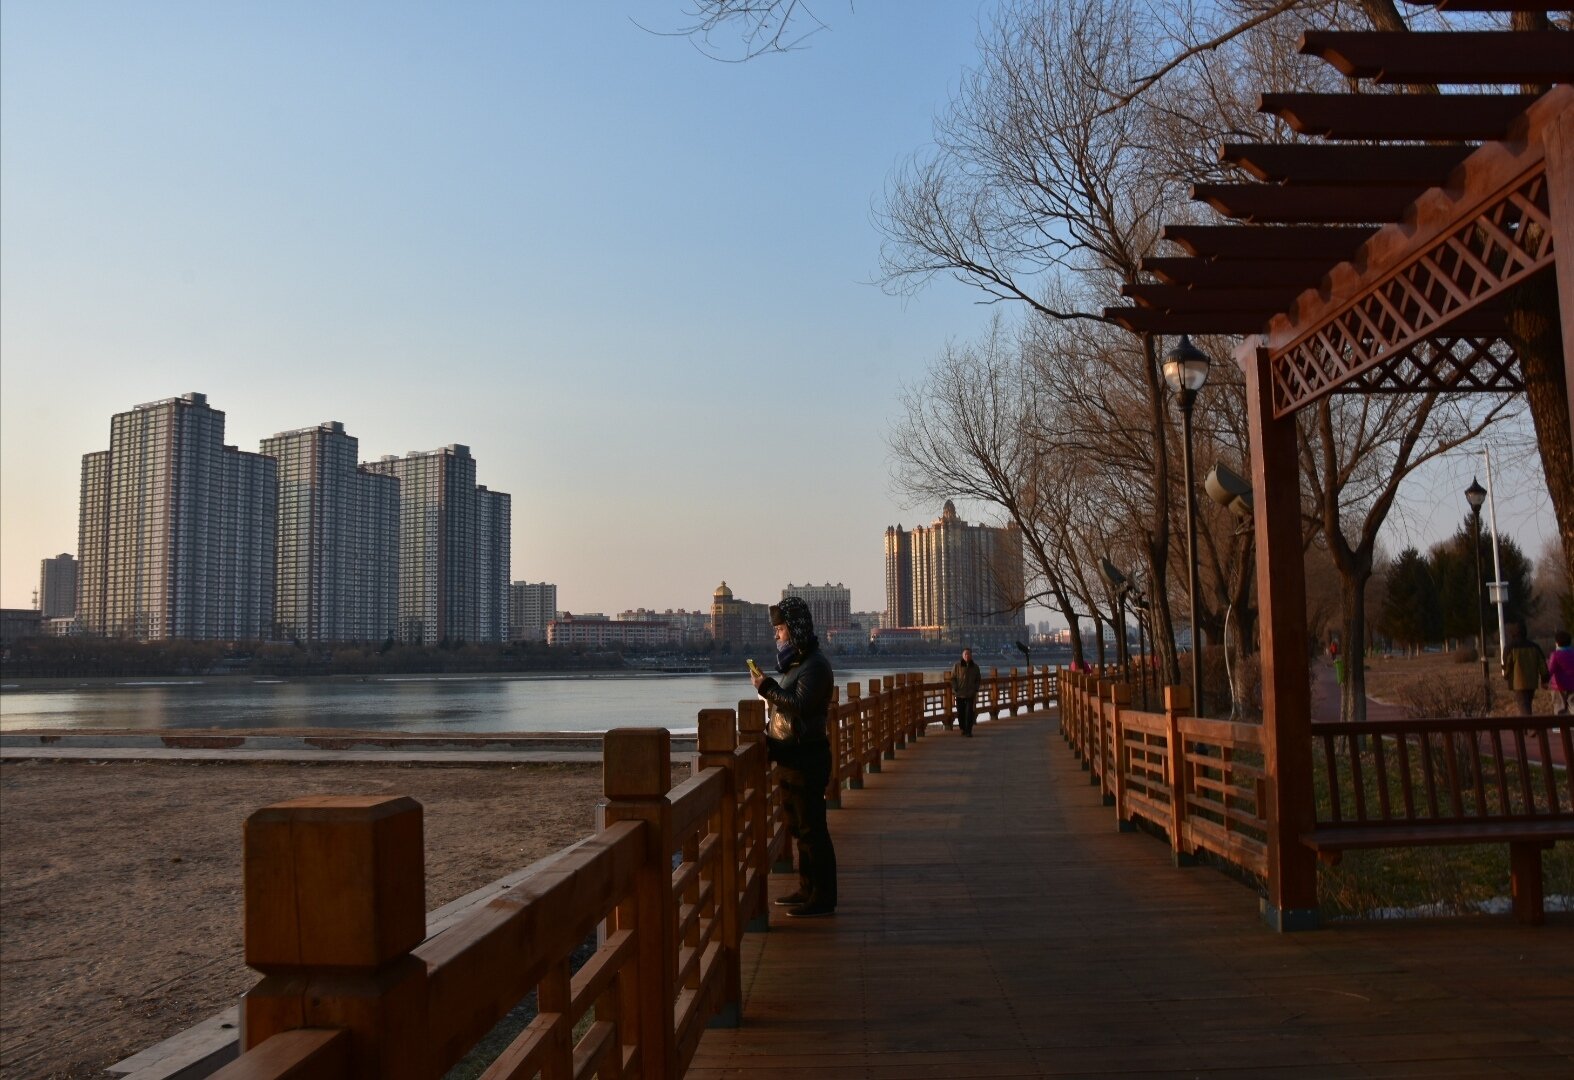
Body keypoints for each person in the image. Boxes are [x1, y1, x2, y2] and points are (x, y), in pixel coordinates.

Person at [750, 596, 837, 918]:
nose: (777, 634)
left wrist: (766, 688)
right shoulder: (797, 664)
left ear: (795, 629)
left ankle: (823, 897)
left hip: (807, 758)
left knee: (813, 830)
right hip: (791, 757)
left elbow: (800, 705)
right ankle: (807, 888)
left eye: (781, 628)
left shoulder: (815, 665)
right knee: (800, 828)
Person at [1501, 622, 1547, 715]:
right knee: (1527, 704)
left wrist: (1505, 675)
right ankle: (1528, 722)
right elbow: (1542, 664)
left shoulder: (1510, 647)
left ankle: (1529, 723)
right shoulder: (1534, 647)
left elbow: (1507, 664)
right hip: (1532, 681)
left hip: (1518, 682)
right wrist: (1544, 678)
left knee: (1523, 706)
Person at [949, 646, 982, 737]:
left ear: (971, 655)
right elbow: (952, 678)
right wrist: (955, 688)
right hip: (960, 693)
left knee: (969, 712)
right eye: (965, 654)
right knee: (961, 713)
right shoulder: (957, 666)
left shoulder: (975, 667)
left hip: (970, 693)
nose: (967, 656)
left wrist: (975, 688)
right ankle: (963, 728)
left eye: (968, 654)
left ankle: (968, 731)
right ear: (962, 655)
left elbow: (978, 679)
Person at [1547, 630, 1574, 716]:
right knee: (1573, 706)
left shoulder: (1555, 655)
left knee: (1559, 708)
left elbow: (1550, 670)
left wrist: (1545, 681)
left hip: (1558, 686)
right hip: (1572, 685)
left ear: (1557, 643)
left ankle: (1561, 724)